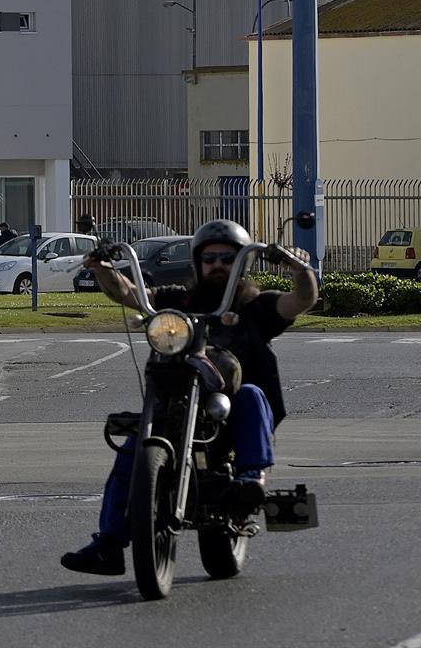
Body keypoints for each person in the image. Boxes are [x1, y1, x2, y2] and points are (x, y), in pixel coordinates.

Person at [59, 219, 319, 577]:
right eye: (210, 258)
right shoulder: (178, 301)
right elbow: (130, 294)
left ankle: (251, 479)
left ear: (242, 263)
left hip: (235, 417)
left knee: (251, 393)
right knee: (133, 447)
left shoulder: (256, 306)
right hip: (176, 407)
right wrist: (103, 269)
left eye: (227, 258)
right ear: (198, 262)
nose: (218, 265)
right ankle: (109, 544)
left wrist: (300, 269)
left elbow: (302, 299)